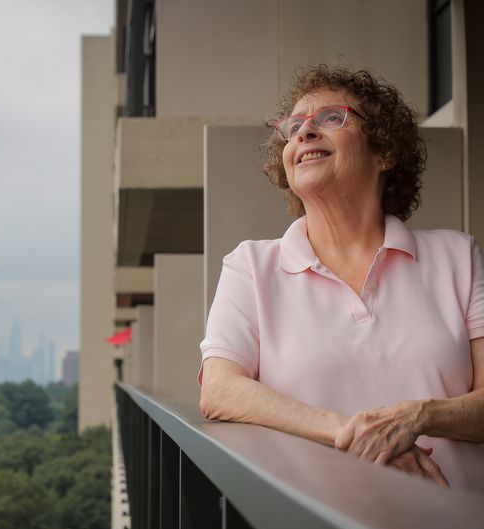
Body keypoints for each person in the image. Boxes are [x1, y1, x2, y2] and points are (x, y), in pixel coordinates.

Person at [198, 65, 484, 490]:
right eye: (294, 127)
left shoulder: (459, 256)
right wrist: (354, 431)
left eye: (331, 118)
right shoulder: (250, 267)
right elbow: (219, 391)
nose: (304, 133)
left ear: (384, 151)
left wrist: (417, 417)